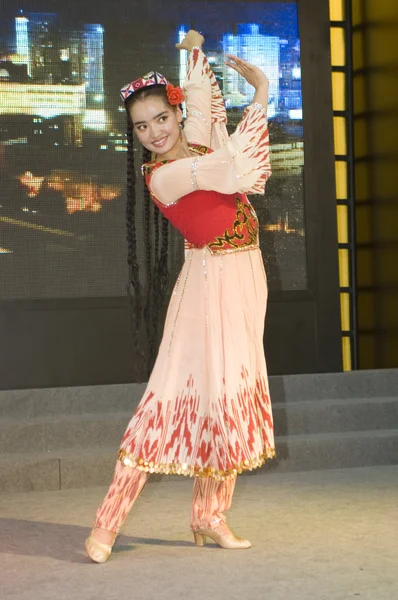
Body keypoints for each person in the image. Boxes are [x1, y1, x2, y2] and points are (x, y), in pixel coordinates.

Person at [85, 30, 275, 563]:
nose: (154, 132)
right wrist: (260, 93)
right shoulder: (166, 175)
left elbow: (199, 103)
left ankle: (209, 516)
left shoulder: (195, 141)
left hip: (245, 277)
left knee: (231, 392)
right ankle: (105, 526)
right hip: (209, 285)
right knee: (168, 397)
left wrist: (191, 50)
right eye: (141, 127)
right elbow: (238, 168)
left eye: (159, 120)